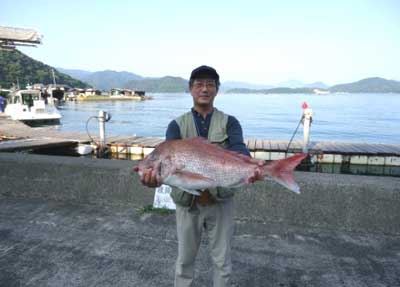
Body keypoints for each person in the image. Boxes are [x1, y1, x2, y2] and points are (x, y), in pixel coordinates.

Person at [139, 65, 263, 287]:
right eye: (199, 84)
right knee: (185, 260)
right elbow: (165, 160)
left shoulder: (230, 122)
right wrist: (152, 180)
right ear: (190, 89)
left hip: (221, 202)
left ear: (217, 89)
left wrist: (250, 166)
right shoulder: (176, 125)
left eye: (210, 84)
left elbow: (239, 149)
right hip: (188, 205)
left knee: (222, 261)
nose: (204, 89)